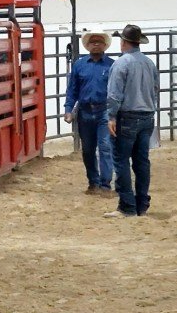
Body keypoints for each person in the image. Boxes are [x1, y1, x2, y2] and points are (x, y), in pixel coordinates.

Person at [104, 24, 159, 218]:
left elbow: (114, 94)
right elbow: (155, 90)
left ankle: (127, 206)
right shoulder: (149, 63)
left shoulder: (121, 63)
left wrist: (111, 116)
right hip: (147, 115)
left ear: (123, 42)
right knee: (141, 161)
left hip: (127, 116)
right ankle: (142, 204)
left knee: (121, 160)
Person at [63, 29, 115, 196]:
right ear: (88, 45)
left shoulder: (112, 65)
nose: (96, 44)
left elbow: (116, 91)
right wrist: (68, 110)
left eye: (99, 42)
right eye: (93, 42)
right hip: (85, 111)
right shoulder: (79, 65)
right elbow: (72, 89)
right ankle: (93, 182)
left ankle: (105, 184)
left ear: (105, 45)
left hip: (104, 110)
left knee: (105, 147)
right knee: (87, 149)